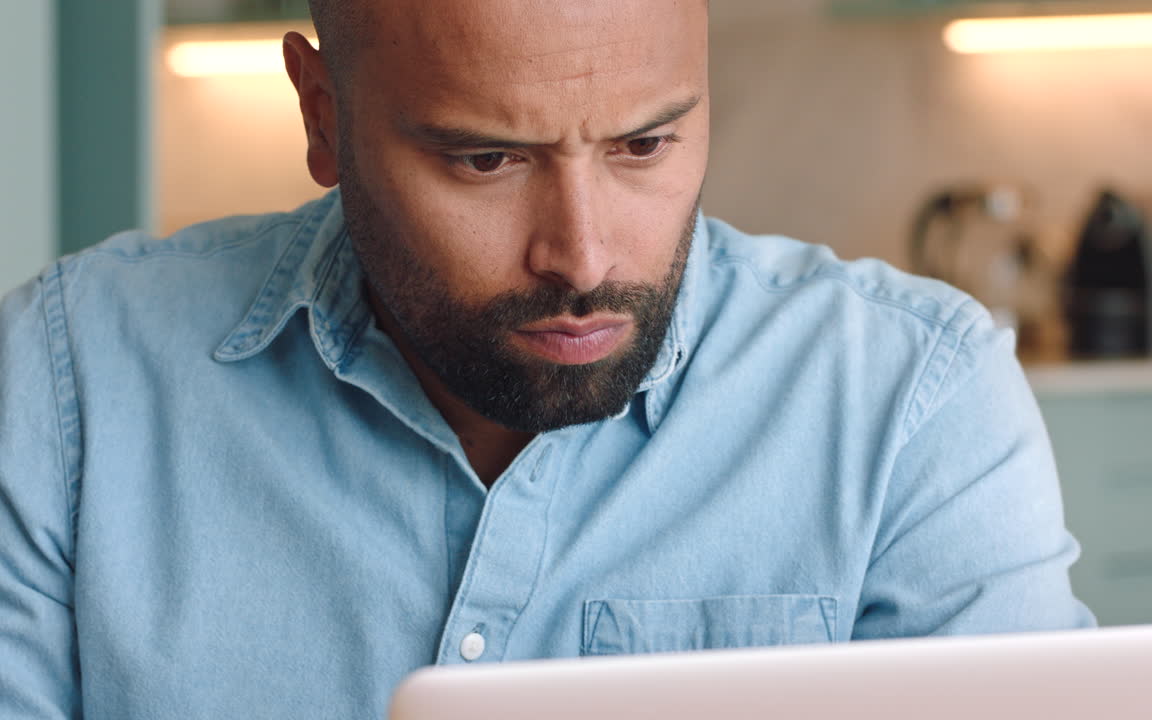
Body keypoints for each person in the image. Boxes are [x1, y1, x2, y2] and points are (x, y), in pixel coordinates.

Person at [0, 0, 1095, 717]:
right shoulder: (71, 379)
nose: (582, 256)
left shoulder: (911, 400)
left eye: (644, 144)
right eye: (487, 159)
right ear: (324, 114)